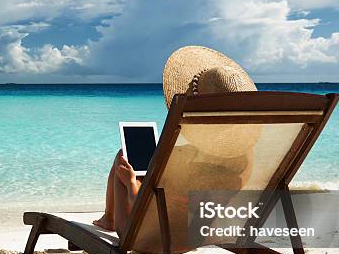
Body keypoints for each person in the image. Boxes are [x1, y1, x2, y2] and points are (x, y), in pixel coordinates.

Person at [93, 45, 257, 240]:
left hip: (149, 236)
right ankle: (109, 215)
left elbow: (149, 212)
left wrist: (130, 184)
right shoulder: (242, 164)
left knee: (123, 157)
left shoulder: (180, 160)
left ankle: (109, 219)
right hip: (198, 236)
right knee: (149, 170)